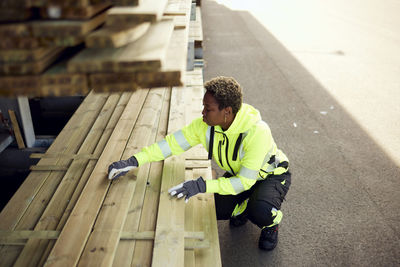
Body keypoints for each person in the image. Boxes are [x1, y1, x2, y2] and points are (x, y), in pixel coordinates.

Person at [108, 76, 291, 251]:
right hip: (240, 174)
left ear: (227, 111)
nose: (203, 112)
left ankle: (271, 224)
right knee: (217, 210)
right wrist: (135, 160)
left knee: (260, 210)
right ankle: (244, 207)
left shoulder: (257, 132)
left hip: (270, 176)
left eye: (208, 108)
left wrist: (200, 185)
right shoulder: (205, 126)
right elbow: (171, 144)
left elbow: (244, 182)